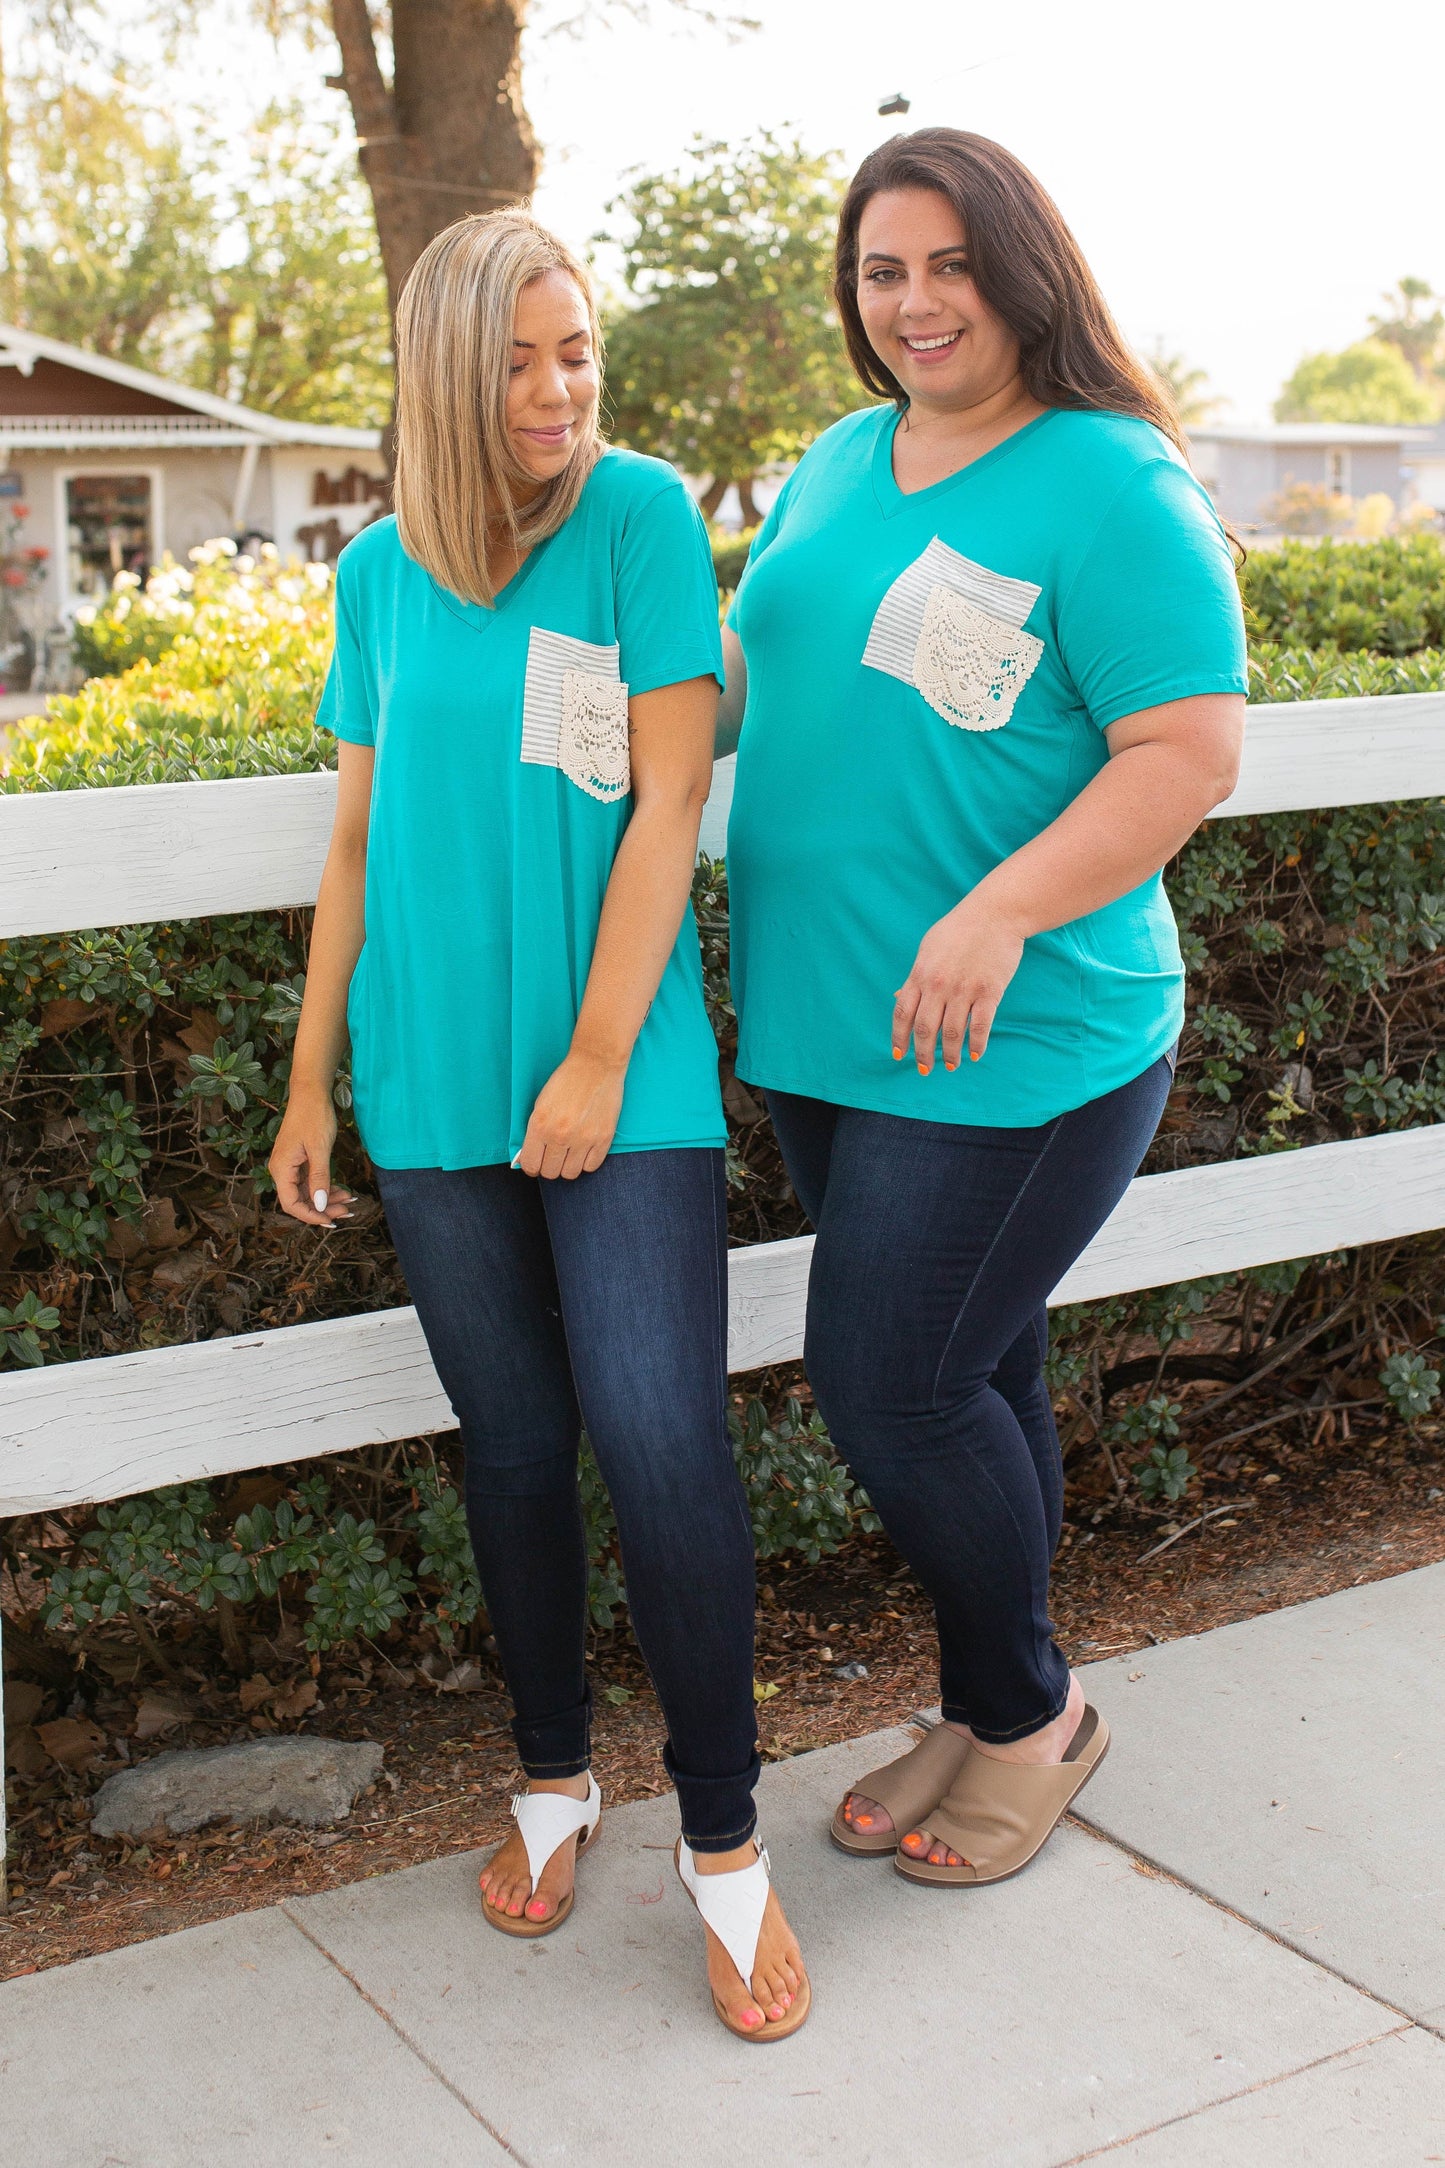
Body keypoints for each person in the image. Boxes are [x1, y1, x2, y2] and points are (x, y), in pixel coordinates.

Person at [268, 210, 808, 2039]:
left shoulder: (643, 519)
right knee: (510, 1446)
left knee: (660, 1441)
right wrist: (309, 1077)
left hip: (618, 1076)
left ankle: (725, 1847)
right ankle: (555, 1777)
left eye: (574, 350)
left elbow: (665, 807)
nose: (555, 388)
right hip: (424, 1084)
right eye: (514, 357)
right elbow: (351, 841)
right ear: (441, 367)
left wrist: (591, 1061)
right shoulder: (371, 576)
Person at [718, 130, 1247, 1887]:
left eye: (949, 264)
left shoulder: (1110, 483)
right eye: (882, 271)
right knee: (973, 1364)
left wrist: (998, 909)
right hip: (828, 1036)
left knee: (888, 1382)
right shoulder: (835, 460)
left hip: (1020, 1037)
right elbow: (742, 680)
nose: (915, 302)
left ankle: (1027, 1715)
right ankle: (977, 1688)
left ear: (1020, 270)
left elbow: (1184, 751)